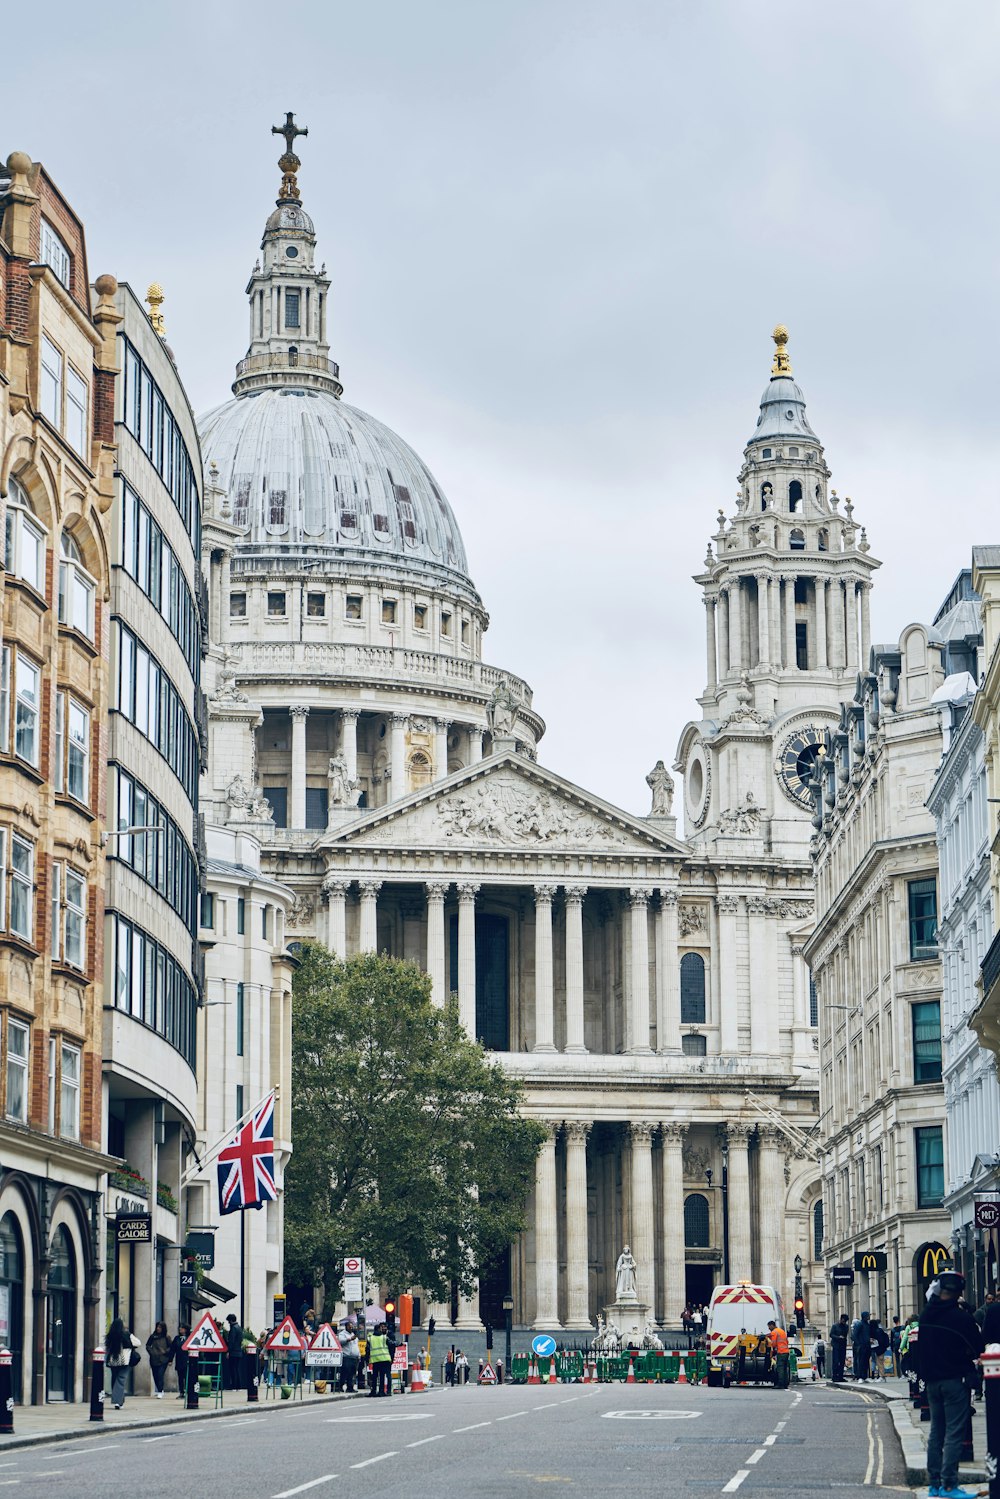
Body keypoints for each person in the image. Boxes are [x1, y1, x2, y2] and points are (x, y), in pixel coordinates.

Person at [918, 1269, 983, 1499]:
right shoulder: (961, 1318)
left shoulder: (925, 1315)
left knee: (936, 1432)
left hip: (932, 1383)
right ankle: (949, 1485)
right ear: (958, 1293)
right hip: (955, 1381)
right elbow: (979, 1348)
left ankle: (933, 1484)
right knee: (954, 1434)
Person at [106, 1317, 140, 1409]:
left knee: (115, 1379)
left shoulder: (110, 1335)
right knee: (121, 1380)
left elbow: (107, 1347)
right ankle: (118, 1401)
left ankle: (119, 1400)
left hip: (113, 1361)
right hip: (125, 1360)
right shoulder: (126, 1334)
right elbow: (138, 1343)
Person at [145, 1321, 172, 1398]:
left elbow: (171, 1347)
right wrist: (151, 1352)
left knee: (160, 1374)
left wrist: (166, 1352)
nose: (158, 1328)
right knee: (155, 1375)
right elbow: (147, 1345)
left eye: (160, 1327)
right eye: (157, 1327)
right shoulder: (153, 1337)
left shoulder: (167, 1337)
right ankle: (160, 1389)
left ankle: (160, 1391)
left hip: (163, 1359)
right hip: (154, 1359)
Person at [368, 1321, 391, 1397]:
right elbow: (392, 1343)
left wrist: (367, 1359)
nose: (382, 1330)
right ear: (378, 1329)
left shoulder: (370, 1338)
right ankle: (381, 1391)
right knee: (382, 1376)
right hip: (384, 1359)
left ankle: (373, 1391)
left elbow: (367, 1349)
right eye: (381, 1328)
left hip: (375, 1360)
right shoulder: (384, 1337)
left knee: (374, 1376)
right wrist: (400, 1343)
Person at [337, 1322, 360, 1393]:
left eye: (352, 1327)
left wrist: (359, 1355)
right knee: (345, 1372)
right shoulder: (342, 1334)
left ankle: (350, 1387)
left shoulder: (353, 1335)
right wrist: (349, 1339)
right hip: (346, 1357)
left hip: (354, 1357)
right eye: (350, 1327)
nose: (351, 1328)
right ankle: (340, 1386)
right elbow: (340, 1341)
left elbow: (356, 1345)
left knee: (352, 1373)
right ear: (346, 1327)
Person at [225, 1313, 244, 1390]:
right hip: (239, 1351)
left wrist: (228, 1351)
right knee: (236, 1368)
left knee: (232, 1369)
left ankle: (233, 1385)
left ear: (231, 1320)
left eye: (229, 1321)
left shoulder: (233, 1328)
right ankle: (238, 1385)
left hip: (233, 1352)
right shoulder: (239, 1328)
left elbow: (231, 1341)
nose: (228, 1323)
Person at [171, 1323, 190, 1399]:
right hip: (179, 1360)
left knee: (187, 1377)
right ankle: (181, 1392)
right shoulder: (177, 1338)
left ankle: (189, 1392)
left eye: (182, 1328)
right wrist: (170, 1359)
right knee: (180, 1377)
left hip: (187, 1360)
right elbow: (173, 1349)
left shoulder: (189, 1338)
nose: (180, 1329)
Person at [852, 1310, 872, 1381]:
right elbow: (854, 1335)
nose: (869, 1317)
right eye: (868, 1315)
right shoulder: (859, 1324)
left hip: (867, 1345)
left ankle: (864, 1376)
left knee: (866, 1361)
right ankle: (860, 1376)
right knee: (861, 1361)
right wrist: (859, 1343)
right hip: (862, 1346)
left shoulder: (868, 1325)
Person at [869, 1316, 890, 1382]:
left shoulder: (875, 1331)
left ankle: (882, 1376)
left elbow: (879, 1341)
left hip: (879, 1349)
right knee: (880, 1362)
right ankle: (881, 1376)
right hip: (882, 1349)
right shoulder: (880, 1330)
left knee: (880, 1363)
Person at [830, 1314, 849, 1382]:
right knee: (836, 1361)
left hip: (843, 1345)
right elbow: (831, 1334)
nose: (844, 1322)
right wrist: (838, 1337)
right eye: (843, 1321)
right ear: (841, 1319)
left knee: (842, 1361)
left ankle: (840, 1376)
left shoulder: (846, 1326)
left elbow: (846, 1334)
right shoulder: (835, 1326)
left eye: (845, 1321)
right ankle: (834, 1376)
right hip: (836, 1345)